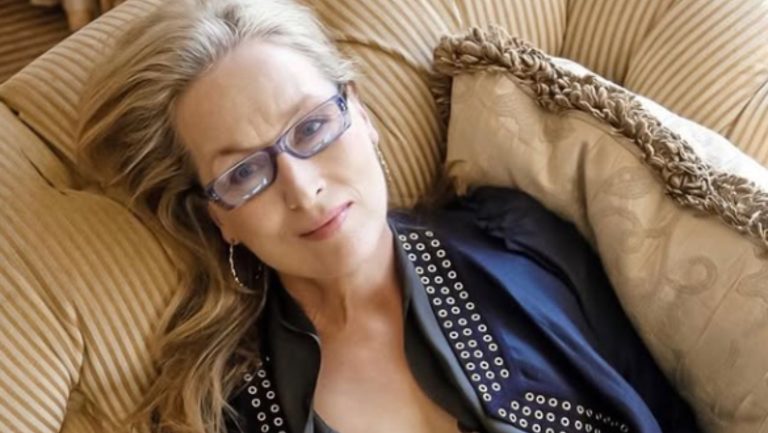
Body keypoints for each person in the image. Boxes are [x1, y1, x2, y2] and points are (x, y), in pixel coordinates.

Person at [76, 1, 701, 433]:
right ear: (219, 219)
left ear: (362, 113)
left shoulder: (518, 239)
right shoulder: (232, 414)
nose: (303, 189)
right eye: (244, 173)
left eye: (312, 128)